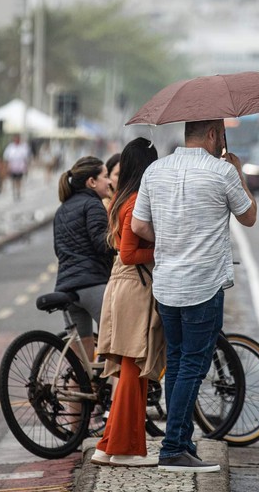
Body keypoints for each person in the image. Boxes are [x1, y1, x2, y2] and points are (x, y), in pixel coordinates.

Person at [131, 119, 257, 473]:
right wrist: (239, 172)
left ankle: (183, 441)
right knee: (192, 365)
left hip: (168, 285)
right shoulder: (222, 172)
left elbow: (139, 226)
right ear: (215, 135)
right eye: (221, 135)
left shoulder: (155, 170)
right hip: (202, 286)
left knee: (179, 362)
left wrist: (172, 242)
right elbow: (249, 216)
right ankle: (173, 449)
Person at [91, 138, 164, 468]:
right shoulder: (134, 202)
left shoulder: (124, 198)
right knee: (134, 370)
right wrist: (162, 250)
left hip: (124, 287)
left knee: (130, 372)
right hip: (133, 289)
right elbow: (130, 253)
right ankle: (126, 449)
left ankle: (108, 444)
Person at [53, 156, 115, 361]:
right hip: (92, 284)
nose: (109, 182)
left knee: (82, 365)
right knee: (119, 348)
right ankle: (116, 393)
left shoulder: (62, 210)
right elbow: (102, 244)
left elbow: (58, 250)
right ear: (92, 181)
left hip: (66, 288)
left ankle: (78, 390)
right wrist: (120, 241)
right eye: (105, 176)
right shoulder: (93, 205)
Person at [3, 134, 31, 200]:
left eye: (18, 139)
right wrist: (7, 167)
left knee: (19, 180)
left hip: (20, 167)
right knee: (13, 180)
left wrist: (26, 167)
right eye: (15, 139)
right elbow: (6, 157)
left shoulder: (23, 147)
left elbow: (26, 158)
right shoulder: (10, 147)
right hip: (12, 167)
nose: (17, 140)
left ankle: (18, 192)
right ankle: (14, 192)